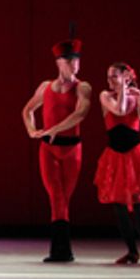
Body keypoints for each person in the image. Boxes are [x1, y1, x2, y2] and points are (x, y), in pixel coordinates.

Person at [22, 35, 92, 262]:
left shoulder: (83, 87)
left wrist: (55, 128)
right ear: (59, 62)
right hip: (49, 149)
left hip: (72, 150)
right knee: (56, 197)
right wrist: (33, 130)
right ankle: (61, 250)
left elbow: (80, 113)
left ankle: (61, 250)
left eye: (77, 61)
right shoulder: (45, 87)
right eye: (70, 60)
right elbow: (27, 110)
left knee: (63, 198)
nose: (74, 65)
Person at [95, 63, 140, 266]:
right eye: (109, 76)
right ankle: (131, 251)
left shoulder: (137, 96)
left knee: (139, 205)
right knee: (120, 207)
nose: (110, 81)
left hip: (134, 157)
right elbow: (120, 110)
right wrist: (122, 89)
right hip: (115, 156)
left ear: (127, 78)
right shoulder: (105, 96)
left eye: (115, 76)